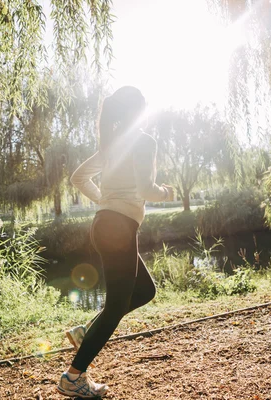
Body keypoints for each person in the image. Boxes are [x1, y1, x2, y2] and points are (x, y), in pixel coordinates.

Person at [56, 86, 174, 398]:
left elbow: (78, 178)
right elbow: (146, 189)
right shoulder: (144, 142)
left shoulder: (112, 145)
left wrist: (105, 201)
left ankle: (87, 332)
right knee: (117, 304)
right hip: (119, 226)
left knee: (145, 291)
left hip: (104, 224)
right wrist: (166, 192)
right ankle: (73, 377)